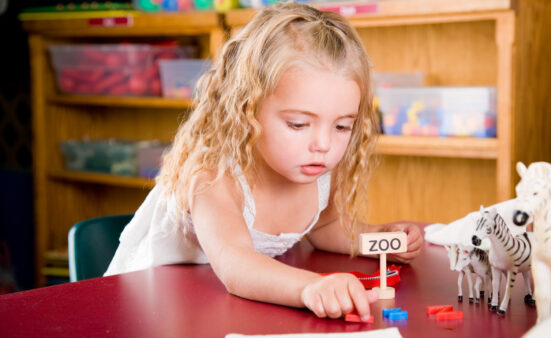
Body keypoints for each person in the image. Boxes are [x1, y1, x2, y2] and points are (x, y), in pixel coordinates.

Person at [105, 2, 423, 322]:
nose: (324, 145)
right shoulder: (212, 176)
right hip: (149, 310)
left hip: (218, 307)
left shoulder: (317, 168)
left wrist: (380, 239)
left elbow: (326, 229)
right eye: (298, 124)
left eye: (342, 126)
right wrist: (312, 287)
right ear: (248, 110)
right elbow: (236, 263)